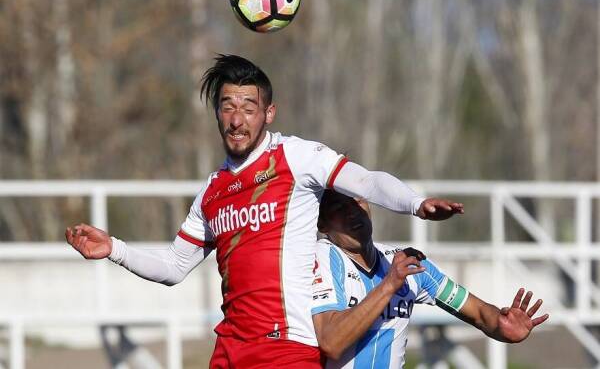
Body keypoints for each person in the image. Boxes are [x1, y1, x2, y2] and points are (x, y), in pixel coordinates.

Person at [65, 54, 464, 368]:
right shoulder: (212, 190)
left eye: (248, 107)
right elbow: (173, 266)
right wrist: (114, 249)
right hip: (229, 350)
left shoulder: (296, 157)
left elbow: (367, 182)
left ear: (268, 113)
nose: (236, 119)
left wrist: (416, 204)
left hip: (287, 351)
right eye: (227, 107)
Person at [311, 190, 549, 368]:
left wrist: (500, 325)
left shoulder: (406, 263)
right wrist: (389, 285)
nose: (353, 211)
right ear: (322, 223)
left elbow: (477, 312)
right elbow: (332, 342)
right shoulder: (321, 257)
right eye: (339, 207)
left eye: (357, 200)